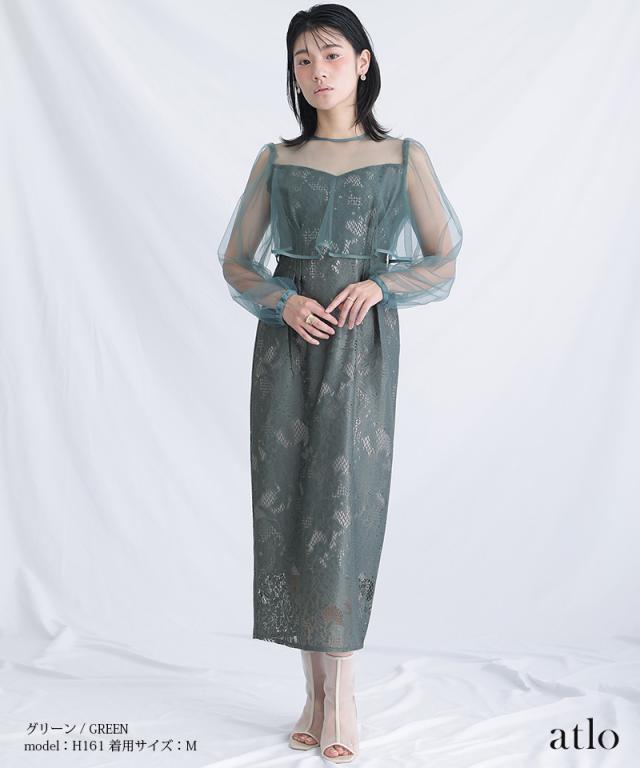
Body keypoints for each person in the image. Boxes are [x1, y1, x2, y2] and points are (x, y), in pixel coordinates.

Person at [218, 4, 463, 762]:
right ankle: (313, 692)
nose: (317, 71)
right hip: (287, 347)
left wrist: (380, 285)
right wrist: (282, 301)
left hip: (360, 349)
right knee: (291, 503)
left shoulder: (403, 157)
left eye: (331, 55)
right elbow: (236, 263)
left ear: (362, 62)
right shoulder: (275, 159)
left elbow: (443, 258)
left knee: (346, 505)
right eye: (302, 59)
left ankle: (345, 694)